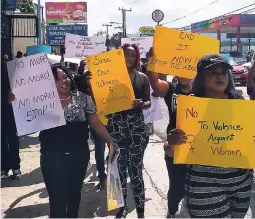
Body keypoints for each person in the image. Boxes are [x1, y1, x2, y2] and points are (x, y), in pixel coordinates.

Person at [9, 66, 118, 218]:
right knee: (57, 200)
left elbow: (95, 122)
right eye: (57, 79)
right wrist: (14, 100)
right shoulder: (40, 101)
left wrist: (110, 141)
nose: (63, 81)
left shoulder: (82, 98)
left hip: (79, 155)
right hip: (52, 156)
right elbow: (24, 120)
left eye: (65, 76)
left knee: (74, 197)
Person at [166, 54, 252, 218]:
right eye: (212, 72)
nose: (220, 75)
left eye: (223, 72)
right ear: (201, 78)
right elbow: (170, 150)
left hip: (241, 185)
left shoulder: (240, 104)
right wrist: (171, 142)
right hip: (204, 185)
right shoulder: (189, 106)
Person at [146, 48, 192, 218]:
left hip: (198, 147)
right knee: (177, 186)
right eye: (180, 70)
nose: (184, 74)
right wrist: (152, 61)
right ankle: (172, 211)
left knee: (194, 184)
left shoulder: (202, 92)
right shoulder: (171, 89)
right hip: (175, 146)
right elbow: (155, 84)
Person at [107, 43, 151, 218]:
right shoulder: (112, 78)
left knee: (136, 172)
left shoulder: (142, 78)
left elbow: (149, 102)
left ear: (136, 58)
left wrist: (142, 104)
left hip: (136, 131)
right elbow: (102, 100)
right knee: (118, 171)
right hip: (116, 129)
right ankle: (121, 208)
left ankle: (140, 212)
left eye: (132, 56)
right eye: (126, 55)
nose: (129, 59)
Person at [74, 71, 107, 190]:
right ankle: (102, 176)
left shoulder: (110, 78)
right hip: (95, 120)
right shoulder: (80, 81)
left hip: (110, 116)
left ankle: (107, 174)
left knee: (110, 147)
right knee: (100, 147)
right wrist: (86, 84)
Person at [1, 55, 21, 180]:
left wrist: (14, 95)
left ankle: (15, 166)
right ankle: (3, 167)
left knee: (12, 139)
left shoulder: (11, 74)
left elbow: (20, 89)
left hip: (10, 110)